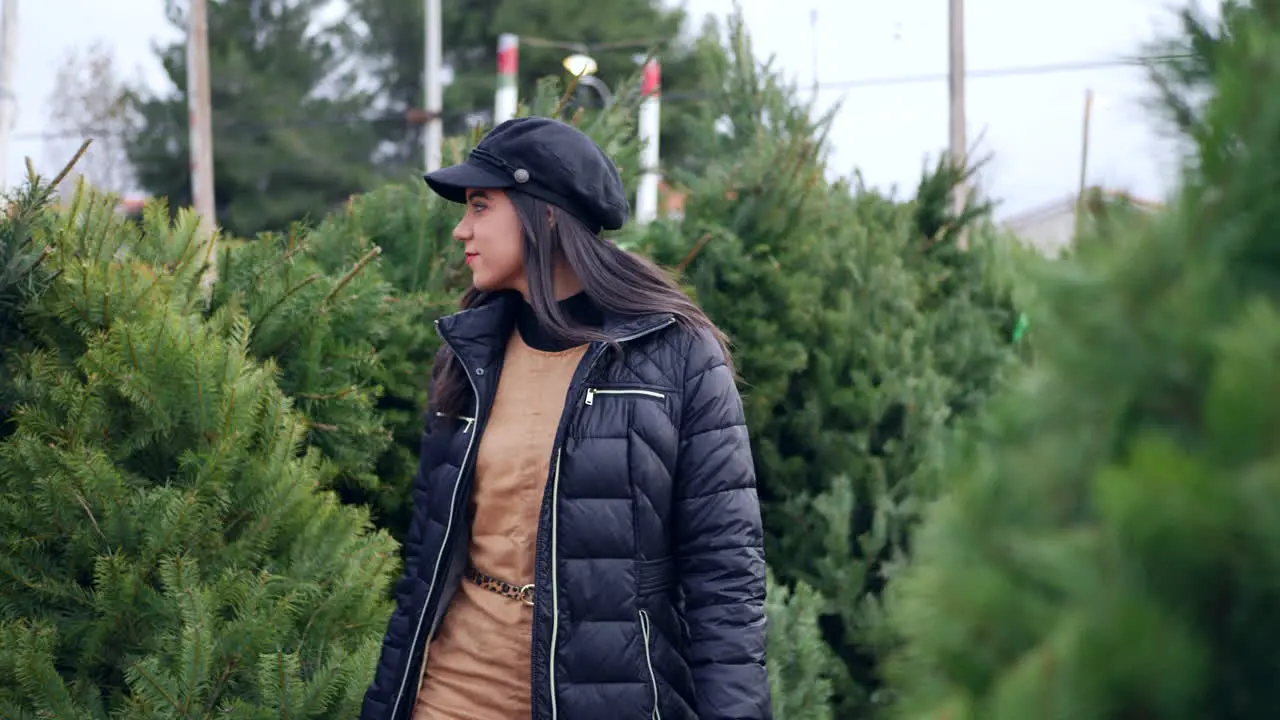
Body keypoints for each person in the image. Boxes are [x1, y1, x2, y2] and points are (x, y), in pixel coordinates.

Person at [359, 116, 770, 720]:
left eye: (479, 206)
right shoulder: (469, 358)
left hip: (610, 697)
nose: (460, 229)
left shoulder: (676, 354)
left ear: (544, 214)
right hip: (453, 693)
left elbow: (725, 575)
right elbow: (425, 568)